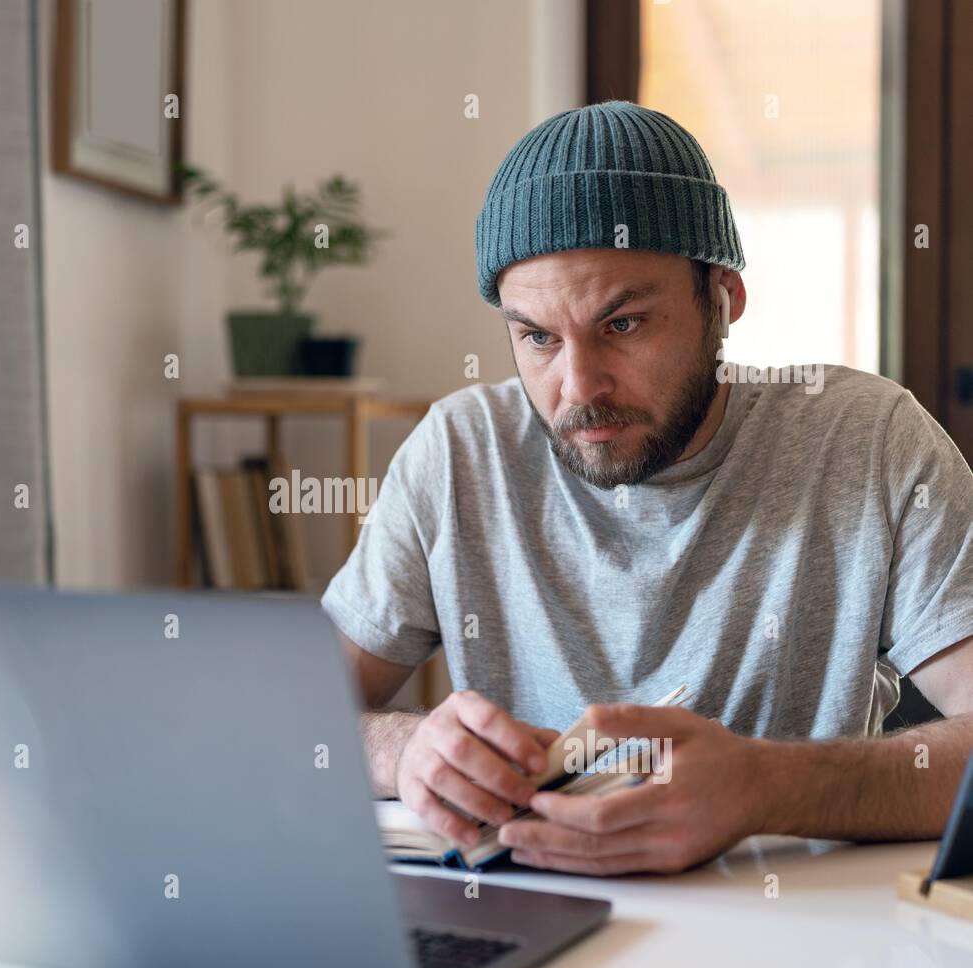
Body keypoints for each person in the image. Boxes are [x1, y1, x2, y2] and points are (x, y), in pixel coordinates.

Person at [322, 101, 973, 875]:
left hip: (794, 934)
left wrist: (764, 786)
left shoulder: (869, 442)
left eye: (624, 324)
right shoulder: (460, 453)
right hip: (528, 924)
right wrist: (407, 751)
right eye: (537, 337)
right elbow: (289, 716)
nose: (579, 386)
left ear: (723, 299)